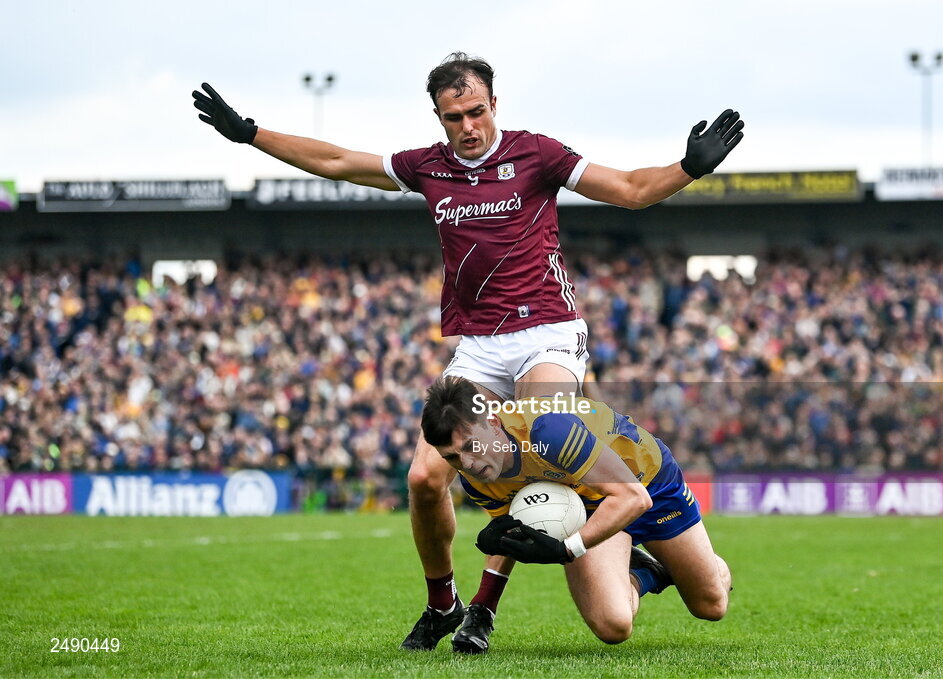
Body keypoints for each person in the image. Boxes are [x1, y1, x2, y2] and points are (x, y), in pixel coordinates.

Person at [192, 52, 743, 654]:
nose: (468, 127)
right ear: (439, 116)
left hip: (548, 332)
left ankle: (488, 607)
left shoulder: (537, 154)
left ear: (494, 105)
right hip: (479, 347)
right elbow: (336, 161)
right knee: (425, 476)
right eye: (454, 117)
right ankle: (444, 604)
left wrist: (689, 166)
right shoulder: (426, 167)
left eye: (477, 111)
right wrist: (249, 134)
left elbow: (632, 191)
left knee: (540, 443)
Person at [420, 375, 732, 647]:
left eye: (471, 447)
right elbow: (516, 525)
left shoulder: (548, 431)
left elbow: (633, 499)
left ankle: (695, 564)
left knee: (711, 606)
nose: (468, 464)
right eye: (452, 458)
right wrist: (501, 545)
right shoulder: (477, 478)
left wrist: (568, 548)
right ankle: (650, 571)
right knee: (614, 626)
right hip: (588, 504)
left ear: (492, 422)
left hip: (648, 484)